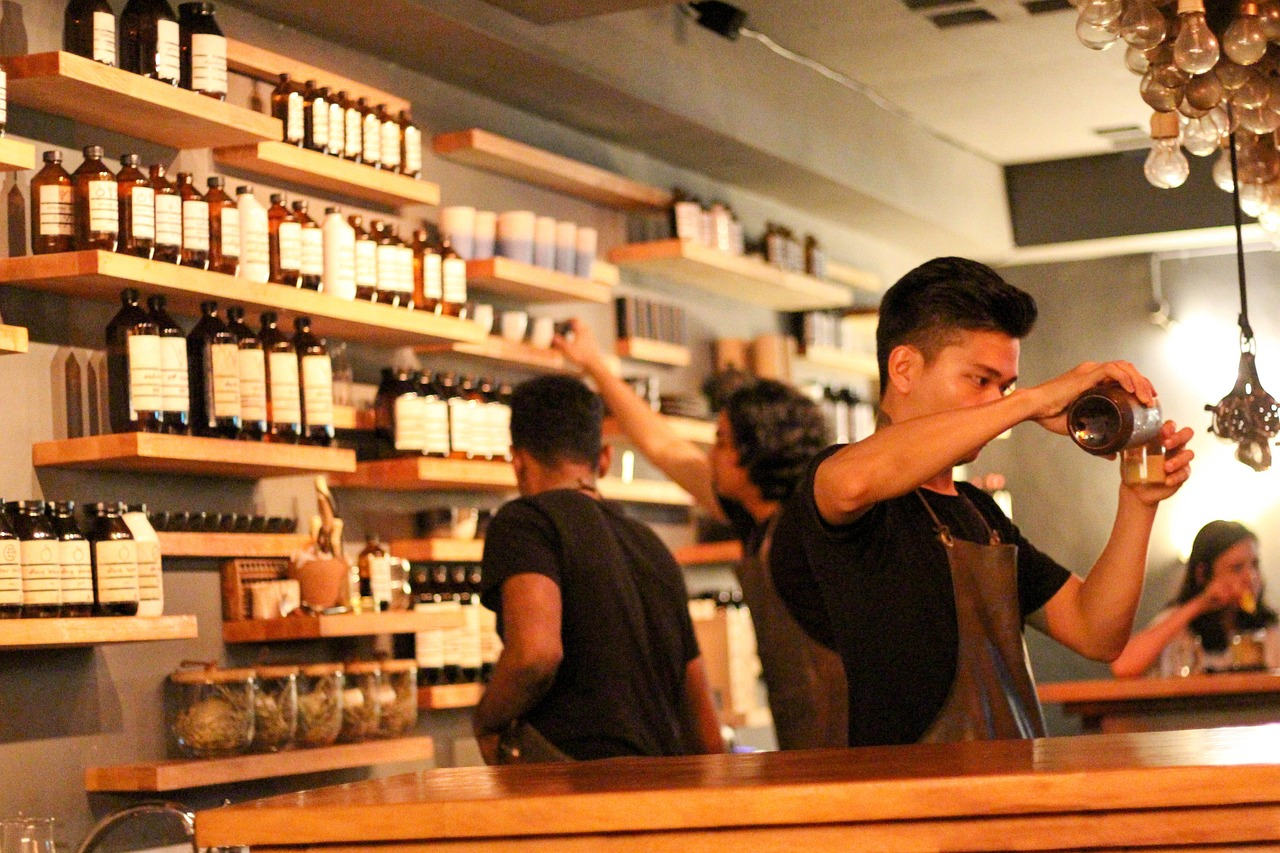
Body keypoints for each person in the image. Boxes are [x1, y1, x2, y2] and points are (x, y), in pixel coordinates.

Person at [769, 256, 1195, 747]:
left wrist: (1139, 502)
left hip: (1005, 785)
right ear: (904, 368)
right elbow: (854, 483)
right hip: (905, 799)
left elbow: (1096, 632)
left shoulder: (977, 511)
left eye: (1006, 385)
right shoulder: (842, 480)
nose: (996, 402)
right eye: (979, 380)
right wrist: (1029, 401)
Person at [555, 318, 848, 750]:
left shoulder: (812, 527)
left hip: (847, 738)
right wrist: (596, 366)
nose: (712, 453)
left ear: (758, 449)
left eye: (723, 441)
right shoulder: (757, 521)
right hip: (804, 734)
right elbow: (665, 448)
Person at [473, 374, 723, 763]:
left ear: (518, 461)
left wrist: (487, 720)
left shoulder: (526, 522)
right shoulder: (653, 546)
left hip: (581, 793)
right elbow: (706, 733)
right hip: (663, 791)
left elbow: (534, 655)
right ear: (603, 460)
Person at [1111, 521, 1277, 677]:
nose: (1251, 577)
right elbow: (1123, 666)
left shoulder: (1271, 628)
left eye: (1254, 565)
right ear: (1202, 573)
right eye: (1236, 568)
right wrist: (1200, 604)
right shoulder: (1179, 626)